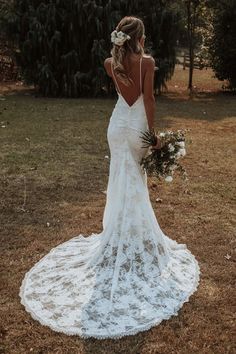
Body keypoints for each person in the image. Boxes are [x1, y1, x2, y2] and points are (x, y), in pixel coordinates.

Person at [19, 16, 200, 340]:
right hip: (135, 129)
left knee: (122, 182)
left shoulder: (109, 62)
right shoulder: (147, 63)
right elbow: (145, 99)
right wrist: (153, 137)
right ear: (140, 38)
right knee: (134, 183)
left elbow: (125, 97)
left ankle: (119, 233)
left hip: (116, 128)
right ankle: (128, 236)